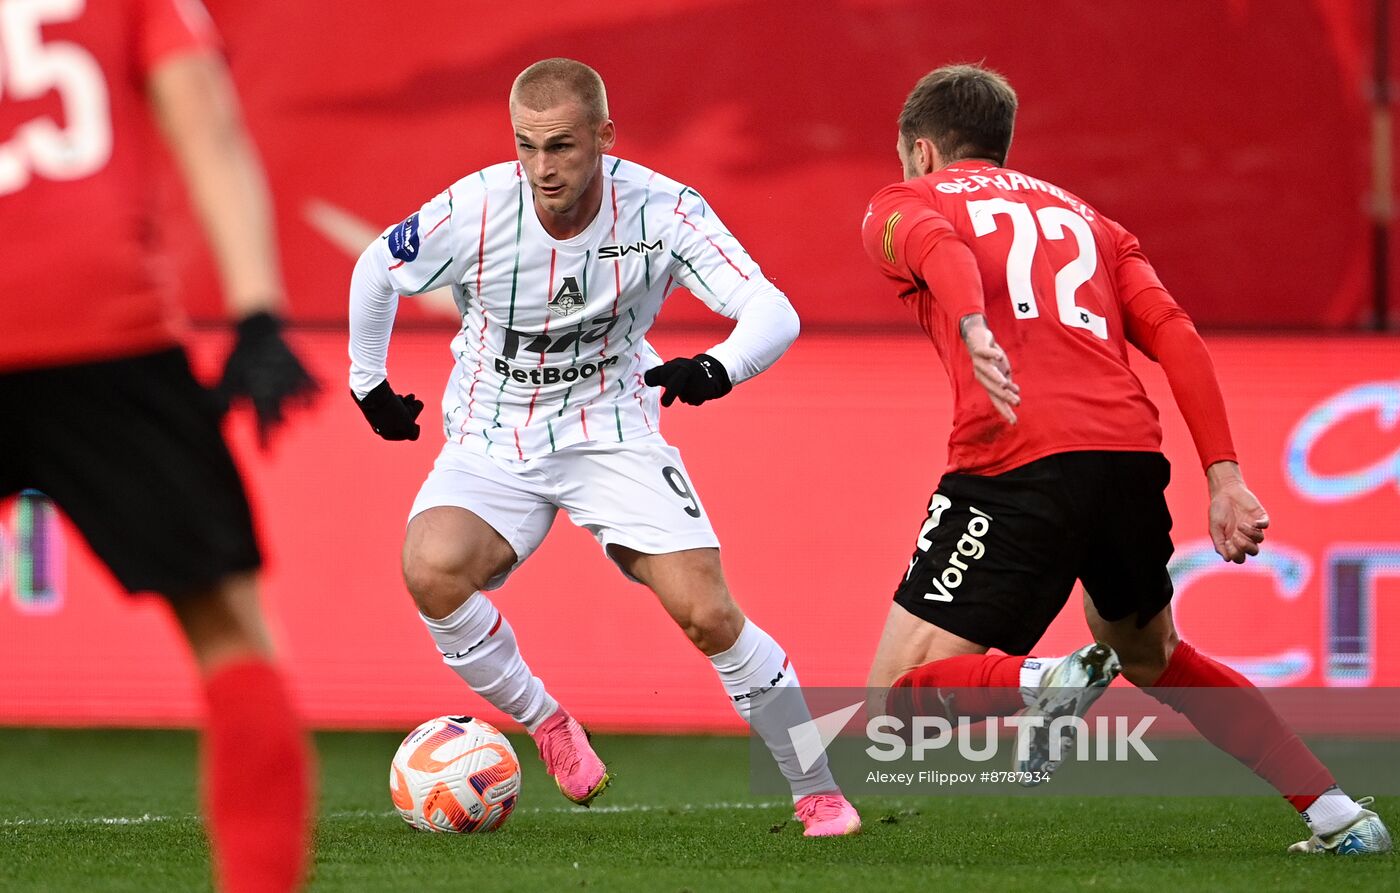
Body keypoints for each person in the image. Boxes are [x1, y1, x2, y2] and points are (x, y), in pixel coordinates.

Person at [860, 63, 1390, 855]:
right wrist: (1225, 473)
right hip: (1130, 458)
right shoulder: (1094, 223)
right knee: (1153, 652)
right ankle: (1338, 815)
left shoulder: (905, 202)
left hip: (1016, 454)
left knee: (894, 705)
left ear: (923, 151)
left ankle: (1040, 685)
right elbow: (1175, 334)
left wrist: (973, 324)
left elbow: (939, 248)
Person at [348, 57, 859, 837]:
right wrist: (368, 383)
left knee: (708, 612)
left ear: (604, 136)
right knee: (430, 566)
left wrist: (719, 366)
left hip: (610, 425)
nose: (542, 169)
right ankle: (547, 722)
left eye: (562, 147)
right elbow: (376, 269)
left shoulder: (662, 211)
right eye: (526, 146)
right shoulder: (476, 207)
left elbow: (771, 309)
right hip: (493, 430)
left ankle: (817, 788)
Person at [0, 1, 317, 889]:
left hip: (92, 326)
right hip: (103, 330)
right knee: (230, 632)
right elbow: (207, 125)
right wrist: (256, 313)